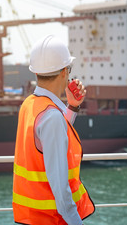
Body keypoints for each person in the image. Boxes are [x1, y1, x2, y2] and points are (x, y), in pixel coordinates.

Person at [12, 35, 95, 224]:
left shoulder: (29, 105)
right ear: (65, 71)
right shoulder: (51, 116)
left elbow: (48, 140)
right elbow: (60, 188)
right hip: (52, 219)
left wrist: (72, 107)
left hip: (32, 217)